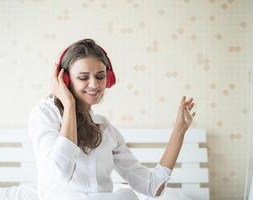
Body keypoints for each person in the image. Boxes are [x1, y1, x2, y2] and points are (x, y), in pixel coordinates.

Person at [28, 39, 196, 200]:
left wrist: (179, 130)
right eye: (83, 77)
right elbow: (60, 171)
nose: (94, 85)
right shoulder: (46, 113)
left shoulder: (105, 128)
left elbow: (153, 187)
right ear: (65, 80)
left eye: (100, 76)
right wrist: (69, 105)